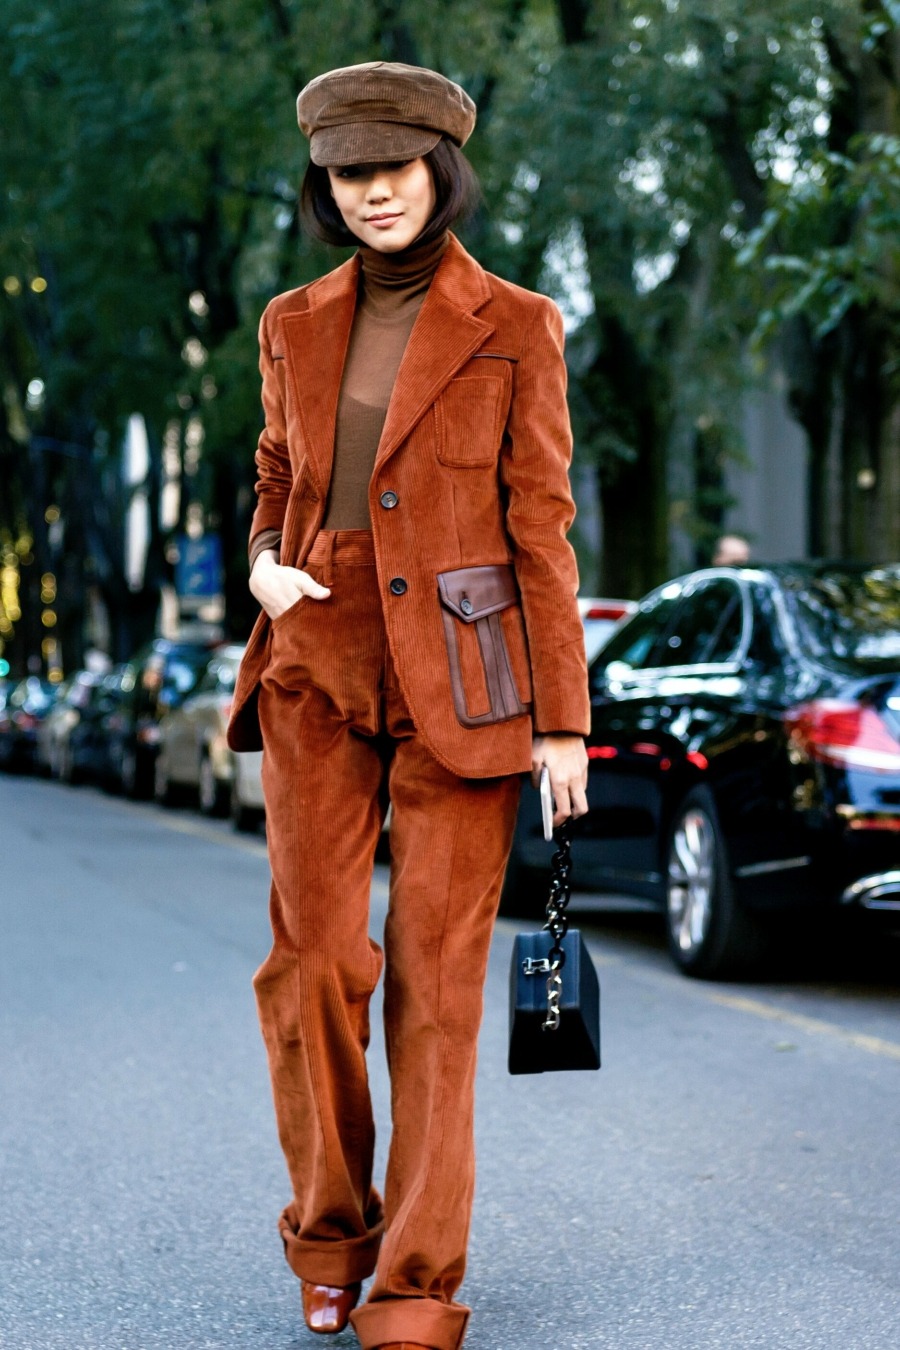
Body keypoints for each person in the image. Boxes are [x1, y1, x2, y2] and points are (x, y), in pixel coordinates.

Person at [226, 61, 590, 1350]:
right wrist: (264, 559)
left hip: (472, 685)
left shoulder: (519, 323)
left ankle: (418, 1285)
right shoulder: (291, 320)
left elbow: (541, 524)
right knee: (313, 962)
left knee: (436, 988)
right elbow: (276, 468)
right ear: (323, 183)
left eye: (394, 167)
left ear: (441, 170)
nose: (372, 190)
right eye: (347, 172)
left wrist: (563, 717)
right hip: (315, 666)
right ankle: (331, 1234)